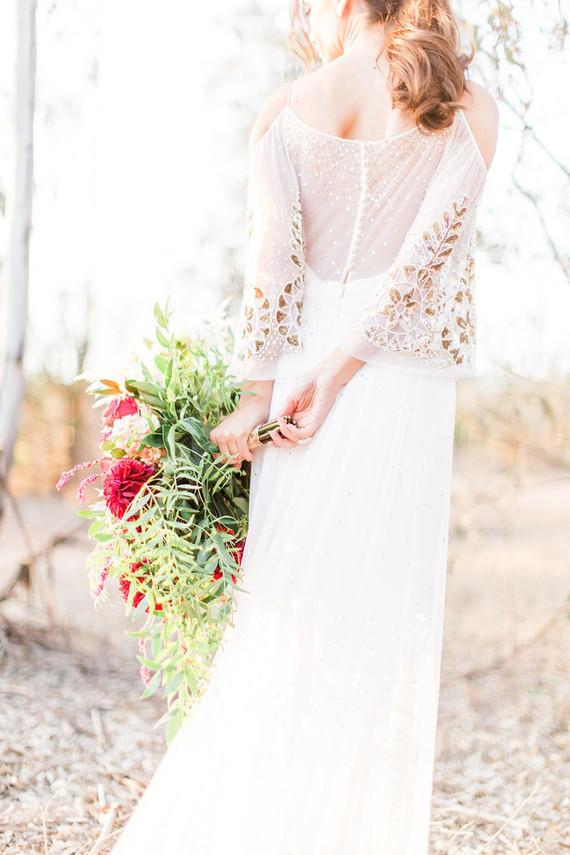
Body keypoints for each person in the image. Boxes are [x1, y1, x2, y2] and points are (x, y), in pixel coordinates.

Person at [111, 0, 498, 852]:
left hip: (296, 397)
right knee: (375, 643)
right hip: (394, 392)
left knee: (284, 634)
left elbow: (273, 273)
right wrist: (342, 369)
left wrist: (258, 397)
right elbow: (423, 261)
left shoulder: (284, 112)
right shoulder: (465, 104)